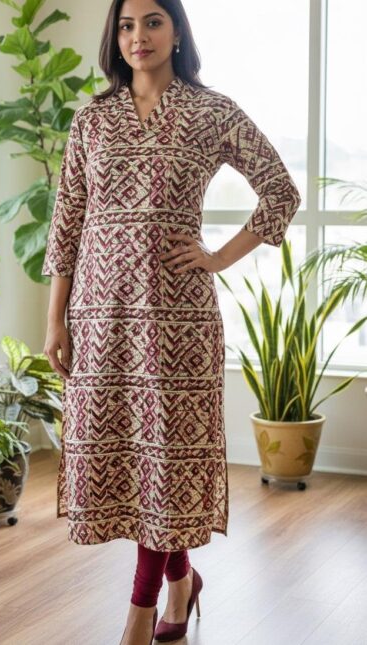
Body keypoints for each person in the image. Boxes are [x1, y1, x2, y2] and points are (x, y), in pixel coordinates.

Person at [42, 1, 302, 644]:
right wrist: (56, 321)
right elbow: (67, 223)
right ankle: (182, 584)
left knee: (168, 461)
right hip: (100, 318)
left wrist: (218, 258)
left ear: (177, 31)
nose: (139, 36)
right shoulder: (93, 119)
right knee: (130, 461)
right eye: (127, 25)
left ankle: (140, 611)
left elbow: (280, 191)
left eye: (153, 22)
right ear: (116, 38)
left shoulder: (212, 111)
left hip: (176, 322)